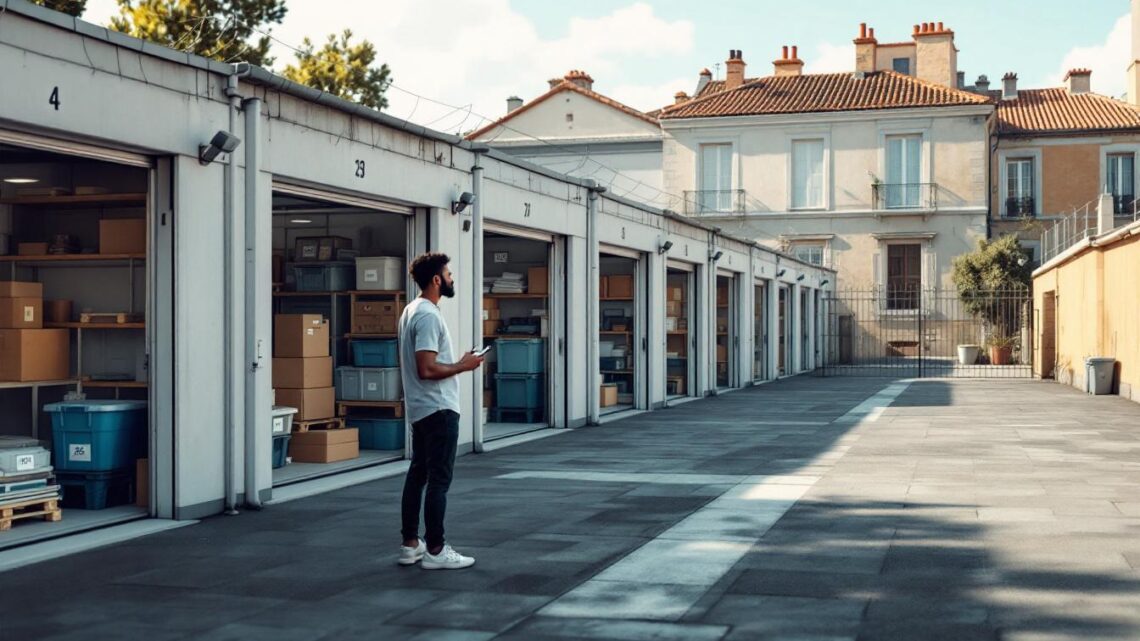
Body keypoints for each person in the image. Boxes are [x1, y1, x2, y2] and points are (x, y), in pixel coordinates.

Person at [398, 252, 484, 570]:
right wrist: (464, 365)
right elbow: (427, 368)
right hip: (438, 408)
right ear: (436, 280)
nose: (451, 278)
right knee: (438, 480)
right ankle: (435, 549)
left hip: (422, 408)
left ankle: (411, 544)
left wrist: (460, 361)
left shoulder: (411, 310)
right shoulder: (428, 315)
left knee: (418, 475)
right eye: (448, 274)